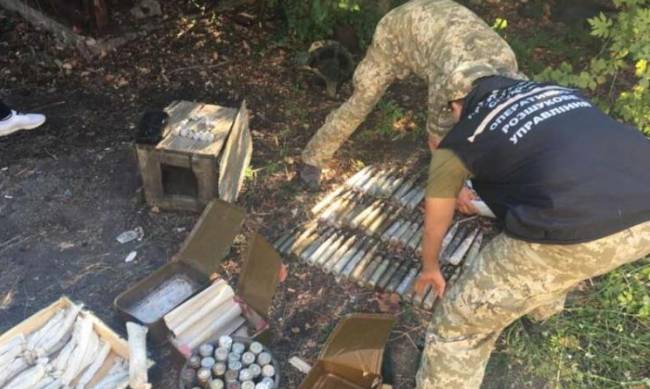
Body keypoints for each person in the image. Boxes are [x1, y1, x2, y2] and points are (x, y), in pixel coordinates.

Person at [413, 74, 650, 388]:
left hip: (574, 227)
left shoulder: (462, 137)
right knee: (563, 248)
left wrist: (430, 267)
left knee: (458, 328)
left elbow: (436, 217)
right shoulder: (555, 90)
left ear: (459, 105)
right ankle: (544, 316)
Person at [299, 0, 523, 190]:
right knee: (363, 99)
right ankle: (313, 158)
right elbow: (438, 141)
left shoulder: (510, 71)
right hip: (397, 30)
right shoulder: (450, 84)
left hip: (439, 27)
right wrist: (454, 188)